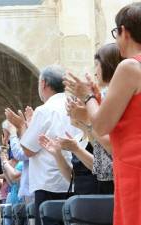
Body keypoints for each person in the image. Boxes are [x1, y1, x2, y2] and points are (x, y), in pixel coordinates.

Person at [64, 3, 141, 224]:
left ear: (124, 32)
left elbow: (101, 126)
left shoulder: (130, 67)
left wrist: (87, 95)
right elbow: (116, 132)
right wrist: (95, 103)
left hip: (134, 170)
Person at [18, 65, 82, 225]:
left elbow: (27, 150)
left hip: (49, 182)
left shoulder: (44, 110)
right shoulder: (75, 105)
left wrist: (23, 126)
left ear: (44, 83)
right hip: (75, 179)